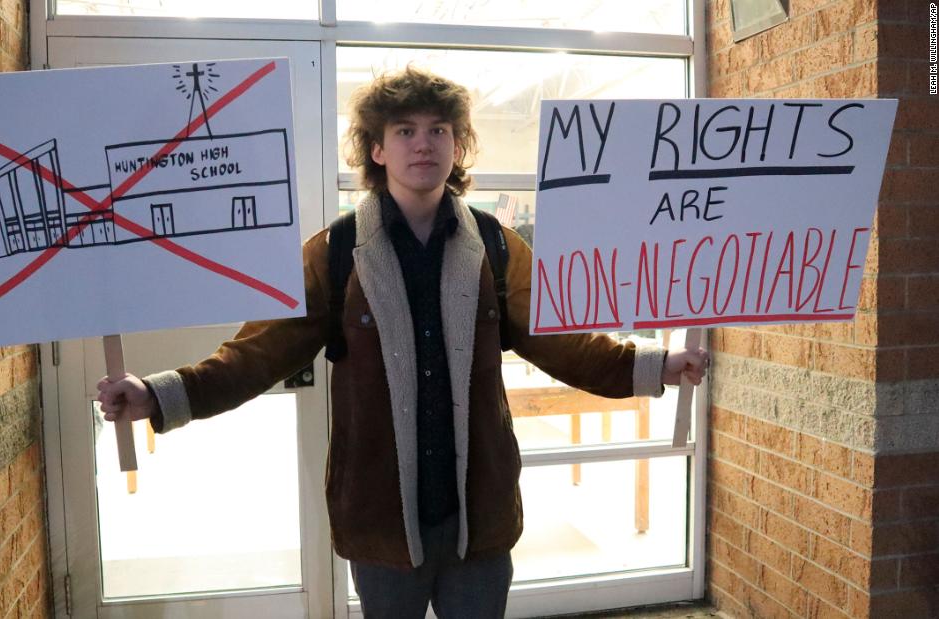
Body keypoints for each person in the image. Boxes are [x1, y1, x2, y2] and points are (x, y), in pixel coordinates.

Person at [97, 66, 709, 619]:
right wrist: (157, 395)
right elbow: (254, 355)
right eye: (406, 130)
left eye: (439, 130)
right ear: (377, 147)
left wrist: (659, 364)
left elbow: (564, 344)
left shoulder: (496, 247)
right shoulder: (334, 254)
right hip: (382, 522)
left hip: (479, 516)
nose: (424, 143)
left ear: (457, 145)